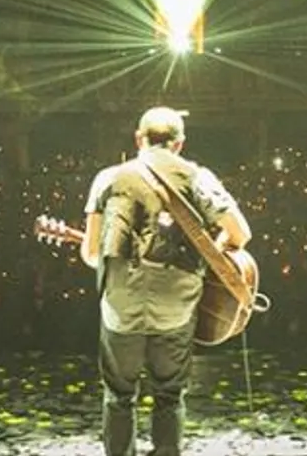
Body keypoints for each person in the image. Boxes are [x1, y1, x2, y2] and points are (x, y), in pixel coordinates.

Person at [81, 106, 251, 456]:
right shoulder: (197, 177)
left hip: (121, 305)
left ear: (138, 139)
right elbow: (240, 233)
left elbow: (91, 254)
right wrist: (208, 249)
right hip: (177, 305)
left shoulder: (108, 178)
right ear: (179, 144)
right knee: (169, 394)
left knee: (119, 394)